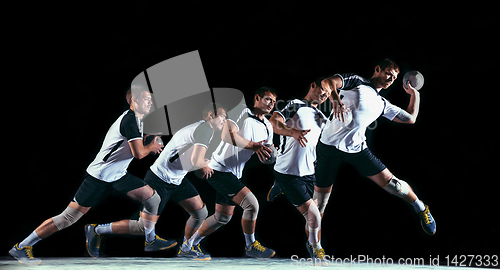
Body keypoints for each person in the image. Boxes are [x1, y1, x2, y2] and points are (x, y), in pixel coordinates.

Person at [9, 85, 169, 266]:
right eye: (147, 99)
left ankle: (149, 240)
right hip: (100, 177)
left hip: (118, 175)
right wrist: (152, 146)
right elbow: (139, 154)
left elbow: (128, 143)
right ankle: (22, 246)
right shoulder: (130, 120)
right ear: (134, 100)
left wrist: (148, 135)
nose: (151, 102)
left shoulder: (137, 121)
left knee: (152, 199)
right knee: (67, 218)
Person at [85, 103, 227, 261]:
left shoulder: (204, 130)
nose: (224, 120)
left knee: (200, 212)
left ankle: (186, 248)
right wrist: (205, 166)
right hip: (159, 178)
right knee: (142, 228)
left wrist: (202, 165)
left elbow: (189, 159)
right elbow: (196, 159)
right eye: (222, 116)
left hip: (176, 179)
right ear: (210, 115)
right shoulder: (206, 128)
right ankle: (97, 230)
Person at [314, 59, 436, 242]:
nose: (390, 79)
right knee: (320, 204)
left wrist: (414, 95)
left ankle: (421, 208)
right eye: (388, 73)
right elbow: (327, 82)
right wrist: (335, 101)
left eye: (394, 78)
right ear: (377, 69)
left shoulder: (382, 104)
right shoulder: (356, 81)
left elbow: (411, 118)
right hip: (328, 148)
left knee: (394, 185)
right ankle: (315, 247)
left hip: (357, 149)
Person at [187, 87, 277, 260]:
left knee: (222, 217)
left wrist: (270, 155)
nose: (271, 104)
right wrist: (253, 145)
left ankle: (188, 245)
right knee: (252, 205)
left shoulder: (267, 126)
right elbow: (227, 135)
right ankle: (251, 246)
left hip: (234, 173)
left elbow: (265, 152)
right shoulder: (242, 112)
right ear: (257, 98)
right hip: (219, 169)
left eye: (273, 102)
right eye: (267, 99)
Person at [268, 78, 331, 261]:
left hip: (308, 173)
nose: (324, 95)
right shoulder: (295, 104)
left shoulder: (321, 116)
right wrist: (292, 132)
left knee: (316, 216)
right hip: (287, 172)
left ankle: (312, 244)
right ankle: (316, 248)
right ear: (313, 85)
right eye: (322, 90)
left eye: (328, 94)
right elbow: (274, 121)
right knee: (313, 214)